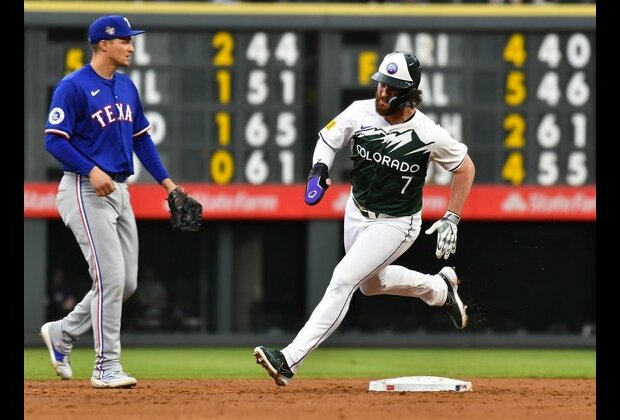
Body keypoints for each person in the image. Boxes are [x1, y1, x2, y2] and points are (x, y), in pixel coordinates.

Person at [253, 50, 476, 386]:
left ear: (410, 92)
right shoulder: (360, 112)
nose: (383, 92)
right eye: (382, 84)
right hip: (356, 211)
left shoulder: (428, 133)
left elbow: (465, 167)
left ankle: (289, 360)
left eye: (393, 87)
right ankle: (439, 289)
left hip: (397, 222)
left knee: (343, 279)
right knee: (371, 284)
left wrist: (452, 217)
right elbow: (329, 139)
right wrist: (319, 170)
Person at [40, 15, 187, 389]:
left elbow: (142, 140)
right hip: (83, 188)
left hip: (120, 190)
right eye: (124, 40)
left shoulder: (126, 87)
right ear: (103, 44)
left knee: (127, 283)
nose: (131, 46)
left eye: (130, 40)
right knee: (109, 279)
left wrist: (169, 185)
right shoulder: (73, 87)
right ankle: (106, 367)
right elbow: (54, 140)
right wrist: (90, 169)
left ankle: (63, 332)